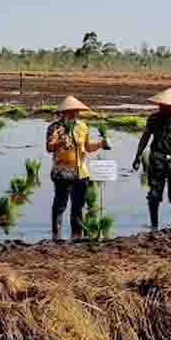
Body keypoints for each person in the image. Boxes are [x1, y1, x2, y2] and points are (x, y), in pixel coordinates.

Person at [132, 88, 171, 230]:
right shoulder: (154, 118)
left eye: (163, 105)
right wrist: (137, 156)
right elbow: (145, 137)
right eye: (159, 105)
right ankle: (154, 226)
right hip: (157, 160)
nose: (160, 107)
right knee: (154, 194)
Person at [46, 95, 106, 240]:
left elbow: (87, 147)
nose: (74, 114)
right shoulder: (55, 127)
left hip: (81, 172)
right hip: (63, 171)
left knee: (79, 205)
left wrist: (100, 144)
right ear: (63, 112)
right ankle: (56, 233)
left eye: (76, 111)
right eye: (71, 111)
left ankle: (76, 234)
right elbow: (49, 147)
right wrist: (60, 142)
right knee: (60, 203)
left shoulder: (83, 126)